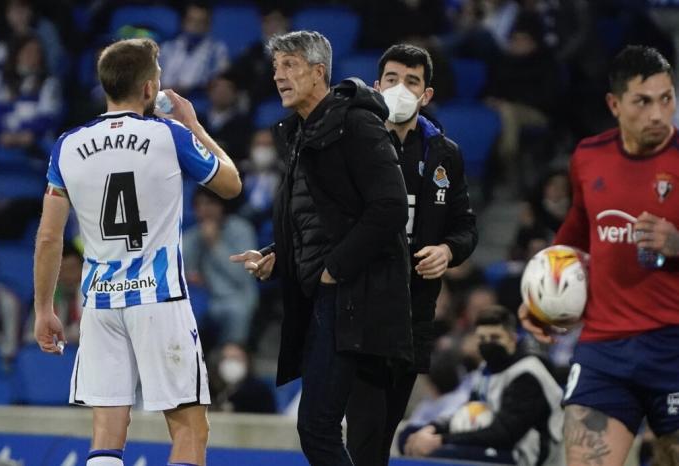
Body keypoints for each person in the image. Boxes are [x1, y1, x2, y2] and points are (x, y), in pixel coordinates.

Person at [32, 37, 241, 466]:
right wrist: (196, 126)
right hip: (158, 297)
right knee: (189, 429)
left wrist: (43, 309)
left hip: (100, 303)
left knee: (107, 432)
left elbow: (49, 238)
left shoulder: (67, 145)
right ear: (149, 89)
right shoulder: (169, 135)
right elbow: (231, 184)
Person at [230, 31, 413, 466]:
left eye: (290, 65)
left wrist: (336, 267)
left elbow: (389, 206)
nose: (279, 76)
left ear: (319, 72)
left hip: (352, 295)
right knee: (324, 428)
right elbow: (317, 216)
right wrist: (279, 254)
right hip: (324, 293)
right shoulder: (301, 132)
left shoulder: (355, 122)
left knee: (318, 426)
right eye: (276, 68)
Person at [519, 45, 679, 466]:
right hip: (604, 351)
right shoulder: (589, 157)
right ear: (614, 104)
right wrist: (540, 295)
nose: (658, 114)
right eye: (643, 102)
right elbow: (576, 231)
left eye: (667, 98)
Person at [343, 43, 478, 466]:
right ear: (376, 86)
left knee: (383, 435)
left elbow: (466, 226)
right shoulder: (351, 144)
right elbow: (322, 216)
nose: (401, 88)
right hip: (361, 306)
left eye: (412, 81)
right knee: (364, 436)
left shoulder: (444, 154)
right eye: (392, 79)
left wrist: (447, 249)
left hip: (415, 311)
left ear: (427, 94)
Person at [403, 305, 564, 465]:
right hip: (492, 442)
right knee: (409, 436)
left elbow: (504, 434)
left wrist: (441, 440)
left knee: (439, 453)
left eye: (495, 337)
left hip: (525, 454)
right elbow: (467, 409)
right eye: (482, 338)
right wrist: (432, 428)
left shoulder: (528, 373)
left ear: (513, 338)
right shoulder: (486, 370)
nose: (488, 343)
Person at [183, 186, 258, 350]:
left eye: (210, 203)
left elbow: (242, 275)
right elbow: (183, 273)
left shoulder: (241, 230)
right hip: (203, 301)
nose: (204, 210)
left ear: (221, 205)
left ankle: (233, 357)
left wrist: (215, 244)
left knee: (236, 310)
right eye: (199, 205)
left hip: (235, 296)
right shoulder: (190, 237)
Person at [159, 2, 230, 98]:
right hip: (163, 98)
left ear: (209, 25)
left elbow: (217, 82)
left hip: (197, 101)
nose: (195, 26)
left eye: (201, 22)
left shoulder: (217, 50)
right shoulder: (167, 47)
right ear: (183, 22)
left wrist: (185, 90)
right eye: (191, 20)